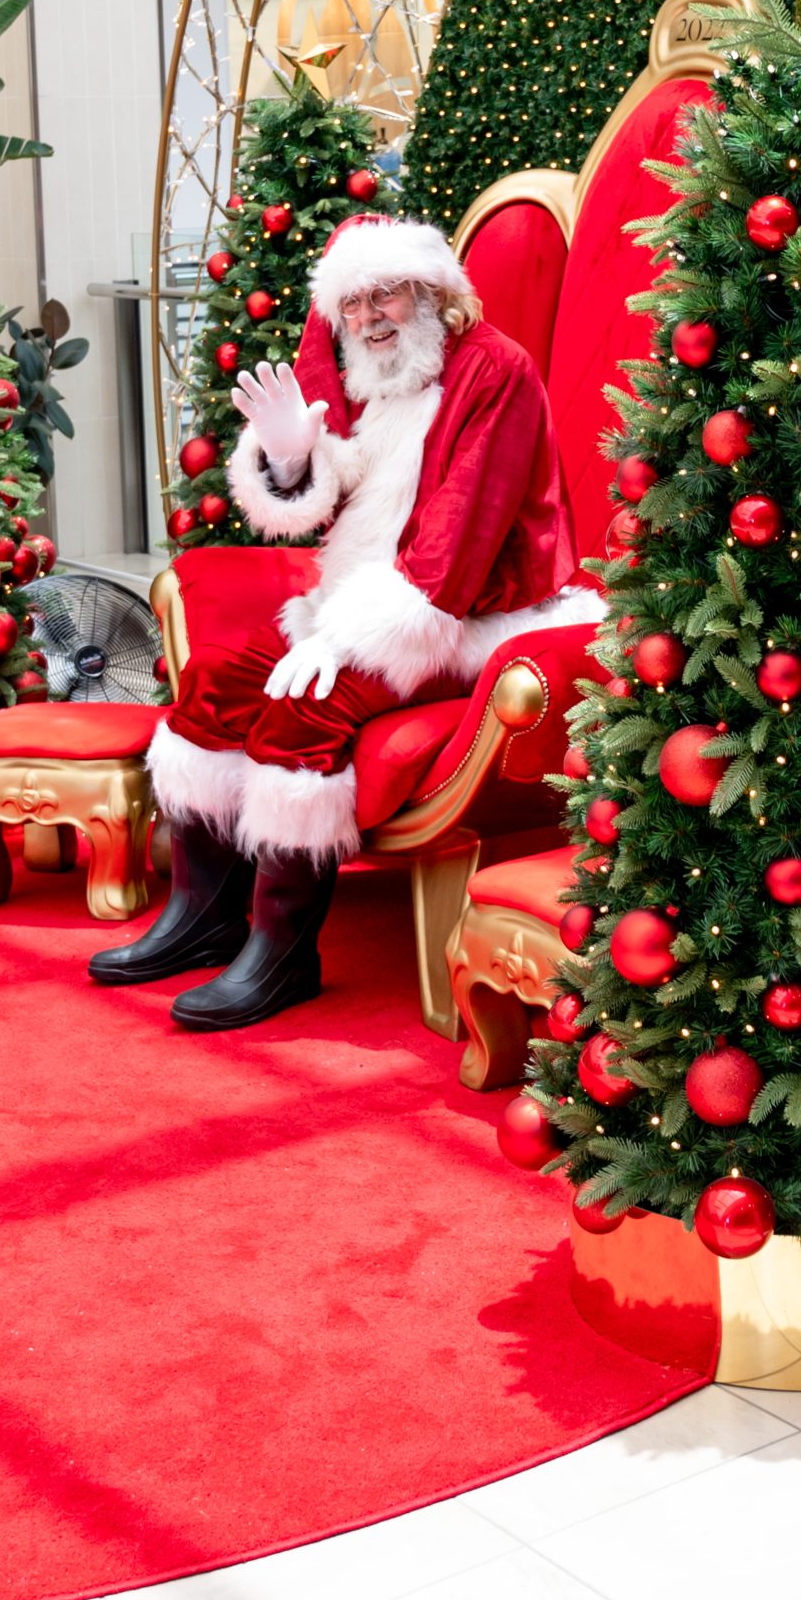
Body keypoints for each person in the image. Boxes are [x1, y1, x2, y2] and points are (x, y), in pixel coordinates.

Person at [95, 215, 597, 1029]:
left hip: (470, 614)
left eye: (386, 295)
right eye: (353, 302)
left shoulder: (496, 371)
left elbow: (457, 552)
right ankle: (204, 917)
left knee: (304, 707)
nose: (369, 318)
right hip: (362, 597)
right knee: (216, 686)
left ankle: (284, 953)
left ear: (432, 293)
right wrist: (291, 460)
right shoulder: (367, 372)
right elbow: (322, 497)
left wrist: (344, 638)